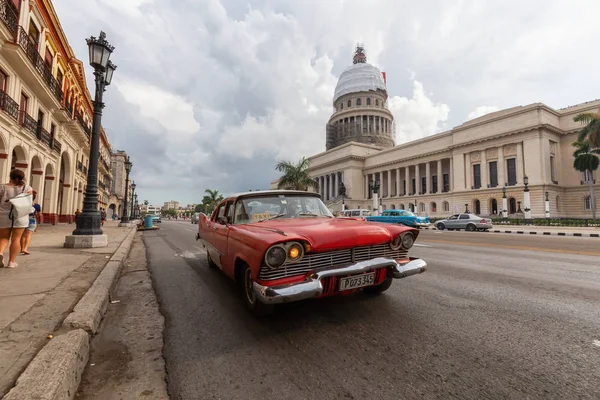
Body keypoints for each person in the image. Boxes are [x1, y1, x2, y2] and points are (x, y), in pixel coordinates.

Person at [0, 169, 33, 268]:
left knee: (3, 238)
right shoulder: (27, 188)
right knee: (16, 238)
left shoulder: (2, 187)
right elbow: (30, 203)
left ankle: (0, 253)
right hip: (20, 215)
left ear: (10, 177)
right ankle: (11, 262)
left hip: (3, 215)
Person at [20, 191, 41, 255]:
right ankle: (25, 248)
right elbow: (39, 215)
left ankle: (22, 248)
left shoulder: (23, 205)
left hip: (23, 219)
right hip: (32, 220)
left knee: (23, 235)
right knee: (29, 234)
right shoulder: (37, 206)